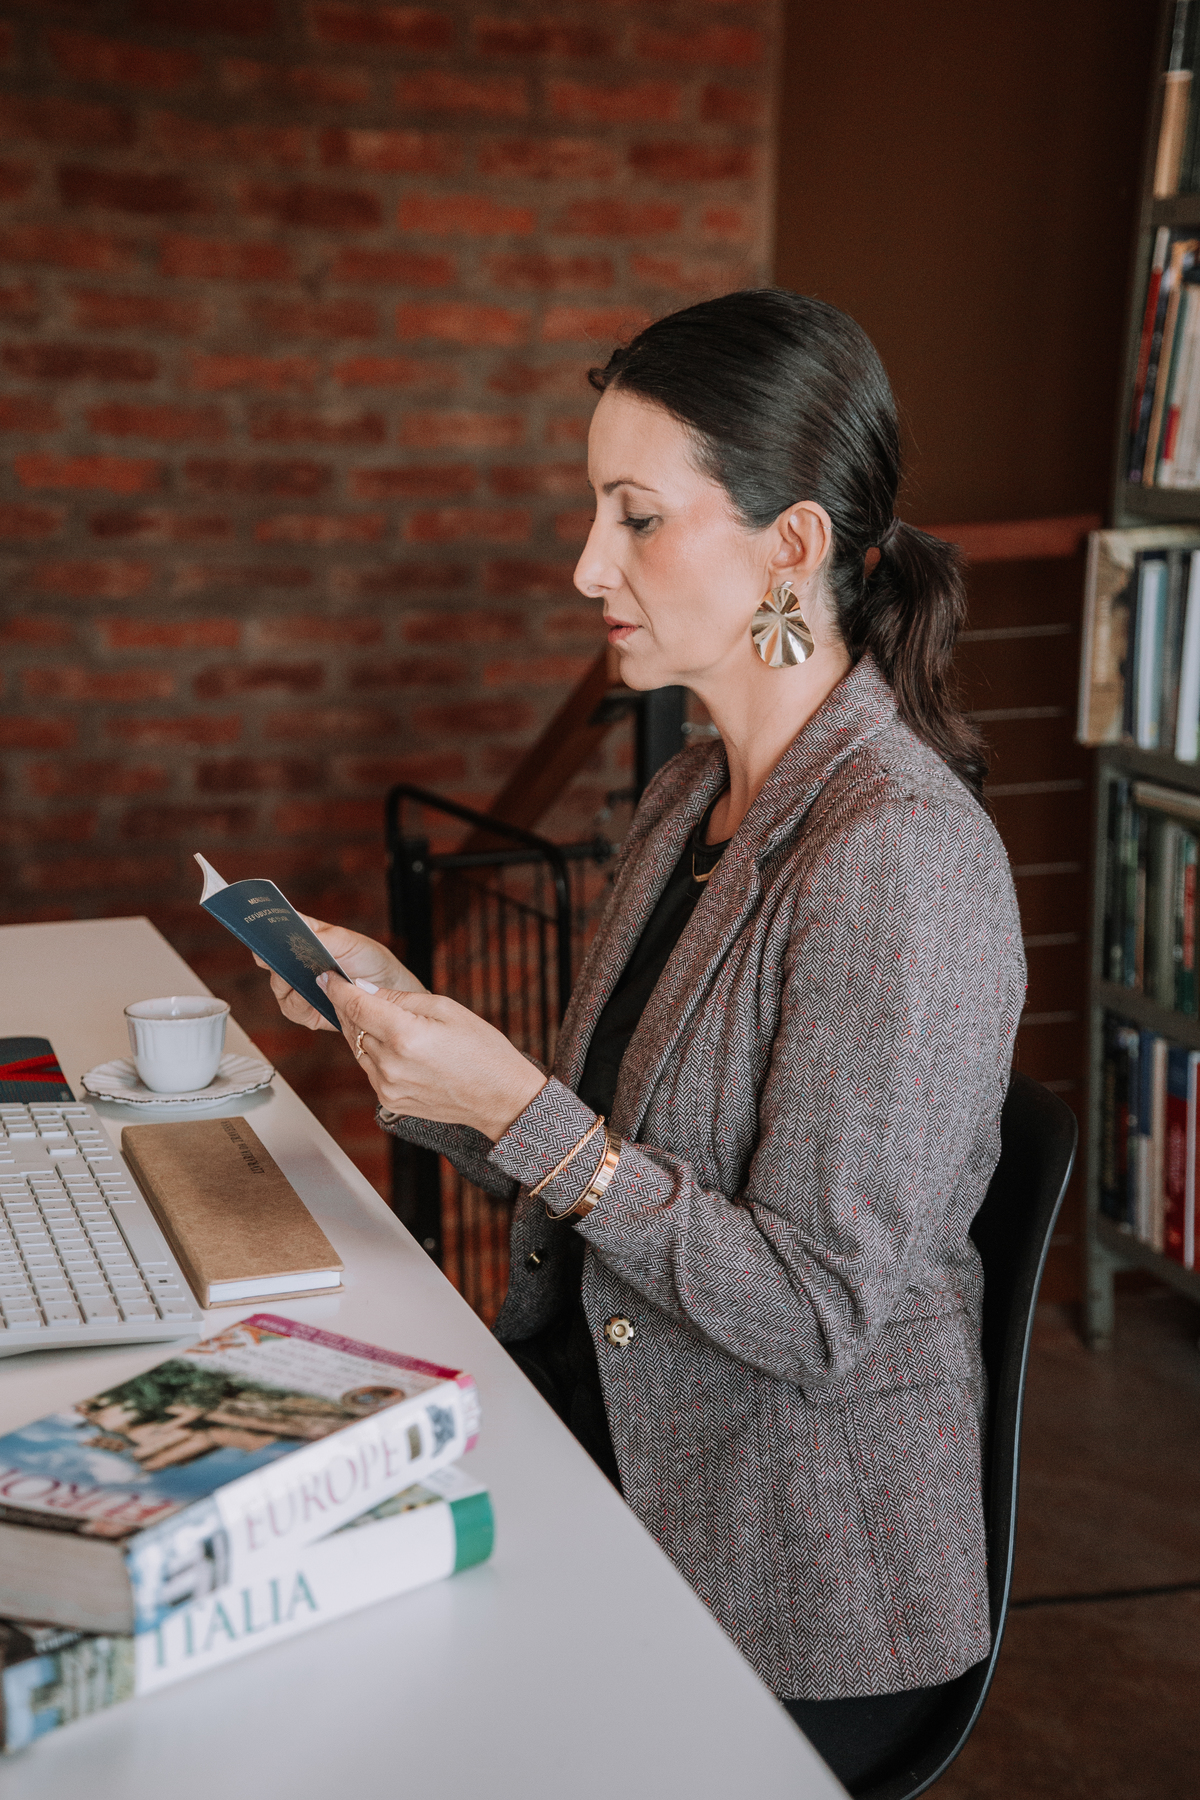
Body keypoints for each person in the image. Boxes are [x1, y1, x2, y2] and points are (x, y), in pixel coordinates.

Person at [259, 289, 1025, 1792]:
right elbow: (596, 1161)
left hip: (789, 1580)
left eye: (636, 517)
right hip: (596, 1444)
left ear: (791, 547)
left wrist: (525, 1111)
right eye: (591, 511)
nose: (585, 565)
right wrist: (411, 1040)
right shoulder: (688, 797)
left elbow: (812, 1315)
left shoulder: (901, 860)